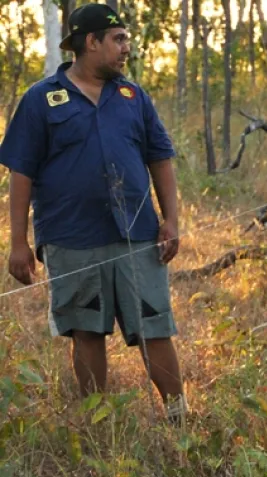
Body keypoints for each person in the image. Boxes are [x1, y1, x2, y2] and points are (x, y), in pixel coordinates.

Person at [0, 3, 187, 423]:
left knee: (154, 326)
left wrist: (171, 220)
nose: (127, 49)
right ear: (91, 42)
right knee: (86, 332)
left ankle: (180, 418)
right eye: (119, 39)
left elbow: (160, 158)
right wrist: (17, 243)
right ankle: (96, 424)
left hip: (136, 234)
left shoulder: (133, 97)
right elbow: (21, 173)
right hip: (71, 239)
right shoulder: (41, 100)